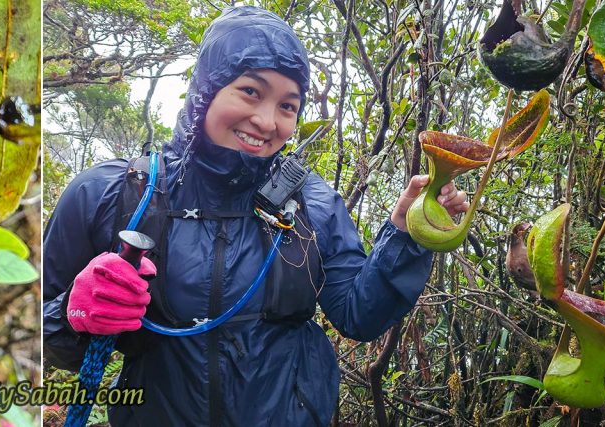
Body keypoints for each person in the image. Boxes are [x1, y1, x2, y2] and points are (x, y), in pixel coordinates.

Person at [42, 6, 471, 426]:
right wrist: (73, 312)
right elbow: (42, 337)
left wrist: (405, 233)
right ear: (207, 88)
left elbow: (358, 315)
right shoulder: (113, 194)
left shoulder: (312, 203)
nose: (267, 121)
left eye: (288, 106)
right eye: (250, 91)